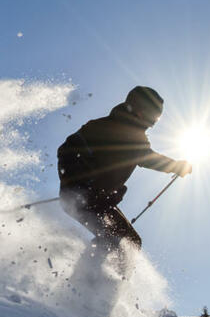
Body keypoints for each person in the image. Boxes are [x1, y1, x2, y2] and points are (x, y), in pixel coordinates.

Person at [57, 86, 191, 250]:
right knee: (112, 239)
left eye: (158, 117)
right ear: (140, 110)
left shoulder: (133, 135)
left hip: (98, 201)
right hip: (80, 197)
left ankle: (105, 273)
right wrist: (79, 183)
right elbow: (66, 151)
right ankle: (91, 274)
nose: (154, 122)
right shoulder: (109, 128)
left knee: (131, 243)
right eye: (154, 115)